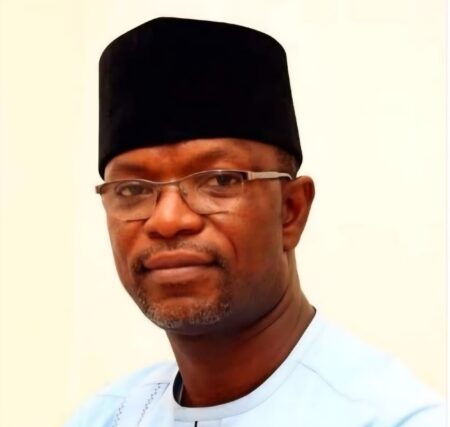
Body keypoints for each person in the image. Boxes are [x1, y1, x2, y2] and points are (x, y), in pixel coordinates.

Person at [66, 17, 444, 426]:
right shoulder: (106, 417)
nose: (168, 219)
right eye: (132, 189)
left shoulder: (392, 418)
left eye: (219, 180)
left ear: (290, 211)